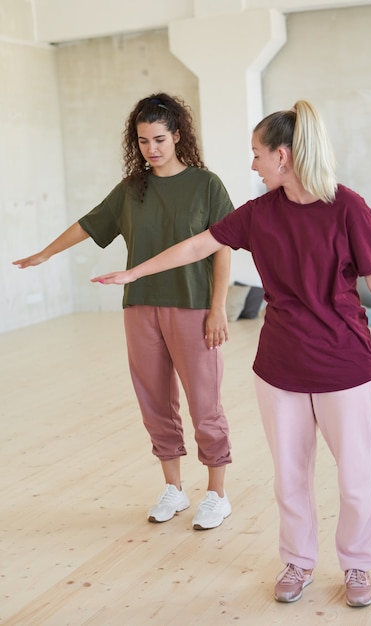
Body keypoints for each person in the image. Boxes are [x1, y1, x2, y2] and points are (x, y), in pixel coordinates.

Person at [90, 100, 371, 608]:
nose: (252, 164)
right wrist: (135, 272)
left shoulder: (348, 207)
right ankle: (299, 562)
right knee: (290, 478)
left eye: (257, 154)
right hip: (279, 370)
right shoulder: (260, 213)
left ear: (283, 156)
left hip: (346, 368)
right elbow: (198, 246)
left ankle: (356, 566)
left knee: (355, 480)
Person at [13, 92, 235, 531]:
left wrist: (218, 308)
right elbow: (89, 222)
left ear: (177, 136)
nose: (151, 148)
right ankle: (173, 488)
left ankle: (217, 493)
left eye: (159, 138)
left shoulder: (206, 185)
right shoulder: (133, 189)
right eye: (142, 141)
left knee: (204, 404)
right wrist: (45, 253)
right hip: (140, 309)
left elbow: (223, 248)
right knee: (154, 401)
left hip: (193, 307)